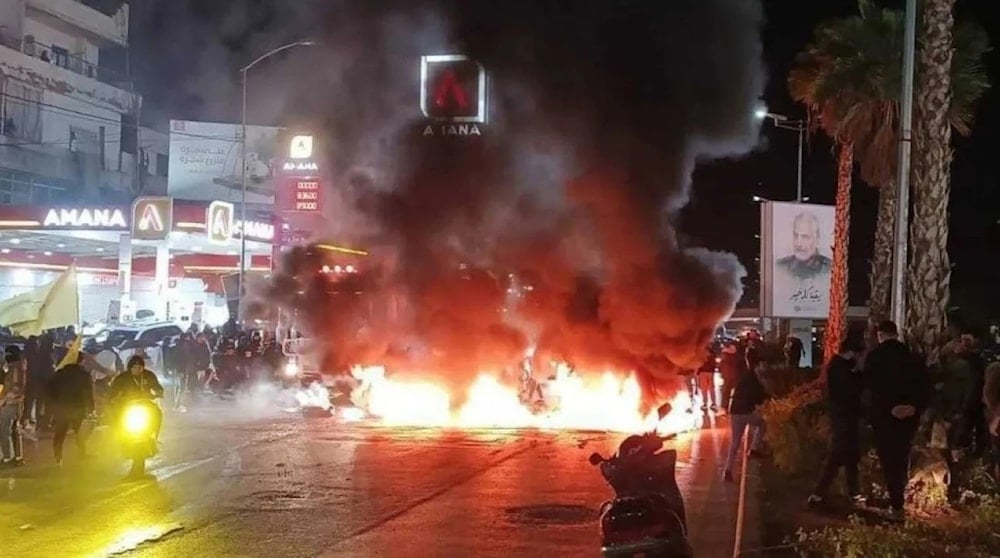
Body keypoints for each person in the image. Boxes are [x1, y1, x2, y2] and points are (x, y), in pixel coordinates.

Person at [863, 320, 932, 520]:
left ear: (880, 334)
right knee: (902, 457)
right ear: (897, 333)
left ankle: (896, 505)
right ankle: (898, 499)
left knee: (889, 460)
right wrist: (913, 407)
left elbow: (871, 389)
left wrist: (888, 409)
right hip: (909, 418)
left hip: (885, 417)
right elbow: (926, 387)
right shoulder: (913, 357)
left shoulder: (875, 357)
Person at [808, 336, 866, 507]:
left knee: (850, 456)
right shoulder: (840, 368)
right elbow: (850, 391)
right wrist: (859, 374)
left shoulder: (842, 366)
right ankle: (818, 493)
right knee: (838, 454)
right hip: (843, 417)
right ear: (852, 353)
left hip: (846, 416)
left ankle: (853, 492)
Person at [723, 362, 768, 481]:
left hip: (735, 412)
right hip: (745, 412)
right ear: (757, 367)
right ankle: (753, 449)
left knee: (735, 442)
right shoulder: (754, 380)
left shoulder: (745, 376)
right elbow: (758, 396)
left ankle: (728, 470)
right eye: (761, 366)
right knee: (763, 424)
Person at [48, 353, 95, 467]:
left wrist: (53, 406)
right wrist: (91, 407)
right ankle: (82, 453)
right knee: (79, 431)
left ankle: (58, 458)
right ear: (79, 361)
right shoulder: (83, 374)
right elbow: (88, 392)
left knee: (60, 434)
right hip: (77, 407)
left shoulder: (59, 374)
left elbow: (50, 390)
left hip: (61, 408)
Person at [109, 355, 164, 439]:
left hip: (145, 403)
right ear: (130, 367)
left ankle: (154, 435)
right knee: (116, 416)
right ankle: (119, 436)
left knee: (157, 413)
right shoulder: (122, 378)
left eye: (140, 367)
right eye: (135, 367)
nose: (137, 370)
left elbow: (157, 387)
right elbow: (113, 392)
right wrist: (114, 398)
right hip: (126, 405)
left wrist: (159, 392)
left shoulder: (149, 375)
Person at [774, 211, 832, 282]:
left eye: (805, 237)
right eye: (796, 236)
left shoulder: (830, 269)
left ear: (817, 240)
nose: (798, 243)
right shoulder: (780, 267)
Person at [1, 348, 26, 466]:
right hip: (17, 404)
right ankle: (18, 456)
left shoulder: (14, 369)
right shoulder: (20, 367)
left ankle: (7, 457)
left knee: (4, 430)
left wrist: (4, 399)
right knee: (15, 430)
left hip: (10, 404)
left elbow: (15, 388)